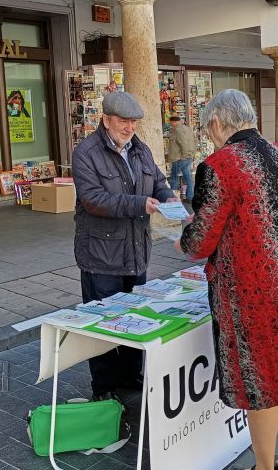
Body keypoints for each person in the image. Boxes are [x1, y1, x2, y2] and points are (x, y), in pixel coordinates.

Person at [176, 90, 278, 470]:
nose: (211, 138)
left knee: (260, 382)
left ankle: (263, 467)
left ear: (219, 123)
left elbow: (202, 237)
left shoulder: (220, 164)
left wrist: (181, 236)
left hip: (253, 287)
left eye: (209, 130)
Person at [72, 92, 176, 401]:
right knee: (103, 326)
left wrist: (168, 197)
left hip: (136, 253)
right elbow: (93, 200)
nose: (129, 128)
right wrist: (140, 204)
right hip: (100, 256)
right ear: (105, 120)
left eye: (134, 122)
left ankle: (131, 376)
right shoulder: (86, 152)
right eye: (123, 121)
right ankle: (104, 387)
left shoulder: (140, 149)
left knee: (135, 320)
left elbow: (157, 180)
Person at [167, 115, 196, 202]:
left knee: (174, 178)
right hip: (187, 157)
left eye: (170, 123)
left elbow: (183, 143)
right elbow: (194, 141)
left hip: (179, 158)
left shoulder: (177, 129)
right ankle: (190, 197)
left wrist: (184, 156)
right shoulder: (187, 128)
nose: (170, 124)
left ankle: (174, 199)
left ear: (173, 121)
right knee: (188, 178)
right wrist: (190, 155)